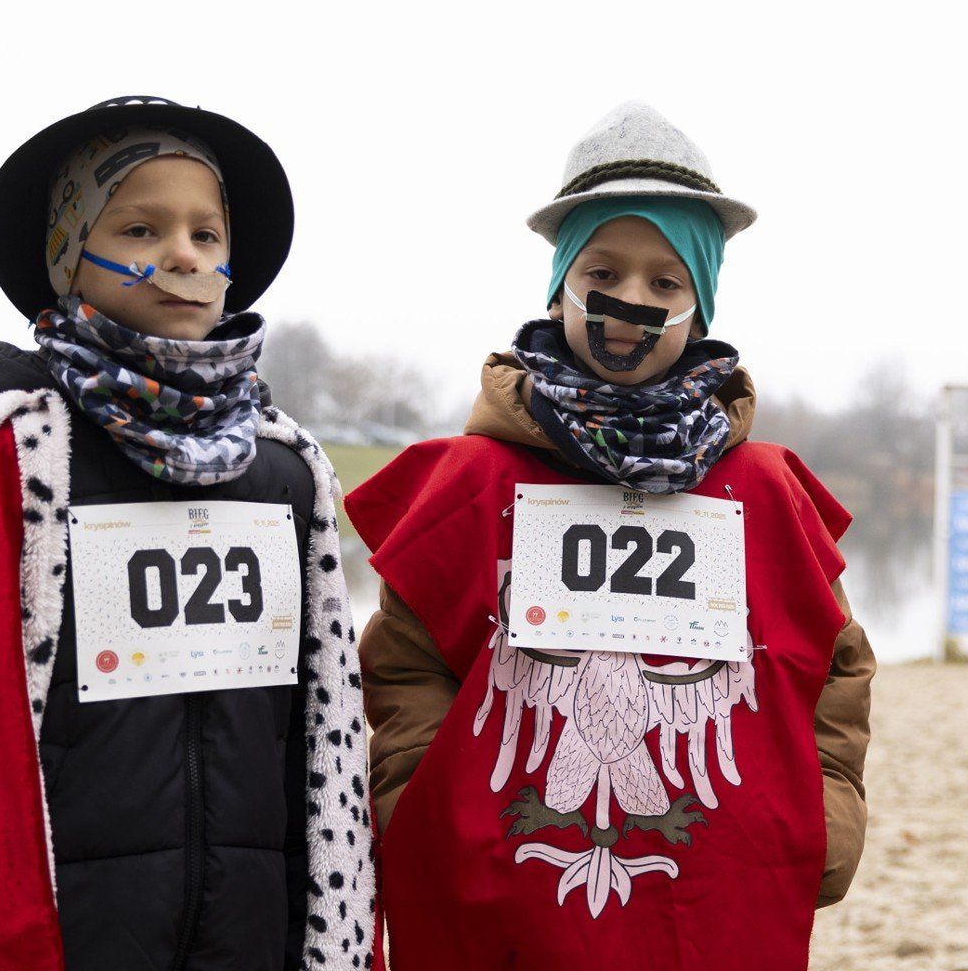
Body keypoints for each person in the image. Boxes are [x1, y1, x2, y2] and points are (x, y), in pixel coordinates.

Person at [0, 96, 375, 971]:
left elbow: (322, 728)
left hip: (254, 923)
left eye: (206, 234)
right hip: (68, 926)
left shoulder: (289, 470)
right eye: (140, 229)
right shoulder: (11, 455)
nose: (183, 254)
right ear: (69, 257)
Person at [345, 101, 875, 970]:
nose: (631, 299)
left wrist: (830, 812)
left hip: (719, 897)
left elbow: (835, 666)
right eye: (603, 271)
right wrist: (418, 804)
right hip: (501, 891)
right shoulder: (472, 483)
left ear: (700, 307)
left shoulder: (767, 491)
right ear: (560, 286)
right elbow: (405, 666)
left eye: (666, 283)